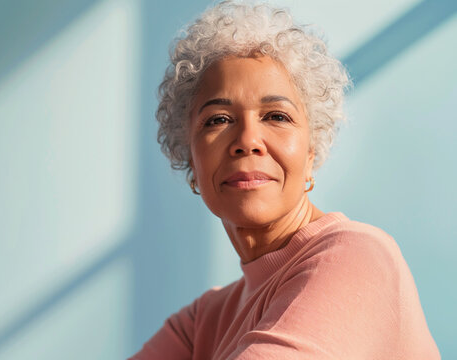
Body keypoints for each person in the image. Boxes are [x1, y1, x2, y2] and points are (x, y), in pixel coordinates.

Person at [129, 1, 440, 359]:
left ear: (311, 153)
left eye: (276, 116)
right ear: (190, 159)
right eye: (217, 119)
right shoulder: (202, 321)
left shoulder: (357, 257)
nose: (247, 140)